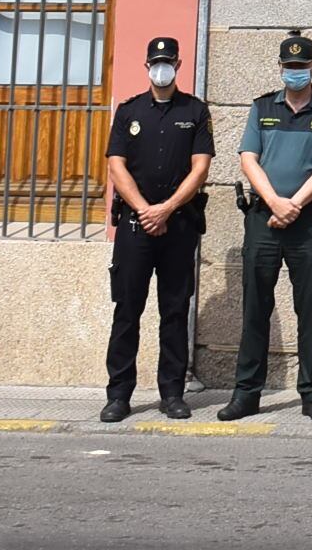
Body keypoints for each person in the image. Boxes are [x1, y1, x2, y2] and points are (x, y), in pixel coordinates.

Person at [221, 31, 312, 422]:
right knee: (255, 307)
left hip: (306, 222)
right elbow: (248, 159)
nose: (295, 72)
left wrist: (293, 205)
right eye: (289, 67)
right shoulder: (262, 108)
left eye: (302, 67)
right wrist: (276, 202)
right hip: (263, 218)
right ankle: (247, 393)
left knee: (309, 308)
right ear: (280, 68)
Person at [102, 34, 211, 423]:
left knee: (175, 311)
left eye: (168, 62)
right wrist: (146, 209)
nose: (161, 68)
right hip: (136, 226)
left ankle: (172, 393)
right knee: (127, 311)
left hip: (178, 225)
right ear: (146, 66)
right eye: (155, 62)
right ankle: (119, 395)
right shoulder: (130, 112)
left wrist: (165, 209)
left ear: (178, 65)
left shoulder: (195, 111)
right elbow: (116, 166)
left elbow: (200, 168)